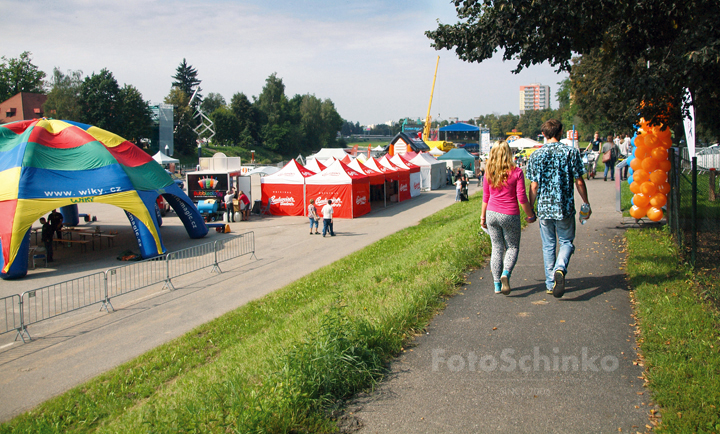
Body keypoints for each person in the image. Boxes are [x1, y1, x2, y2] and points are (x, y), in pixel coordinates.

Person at [527, 119, 591, 298]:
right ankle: (560, 267)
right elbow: (579, 180)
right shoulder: (570, 152)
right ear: (560, 132)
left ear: (544, 134)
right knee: (566, 242)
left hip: (544, 208)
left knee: (548, 245)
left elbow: (533, 186)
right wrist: (585, 202)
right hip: (565, 206)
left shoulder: (536, 156)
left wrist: (531, 208)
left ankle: (550, 283)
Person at [481, 141, 536, 295]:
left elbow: (486, 197)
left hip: (491, 213)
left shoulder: (488, 172)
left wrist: (482, 217)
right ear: (508, 153)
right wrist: (530, 214)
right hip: (510, 214)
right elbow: (521, 197)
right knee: (512, 247)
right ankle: (506, 273)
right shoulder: (516, 172)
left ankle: (497, 284)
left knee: (497, 248)